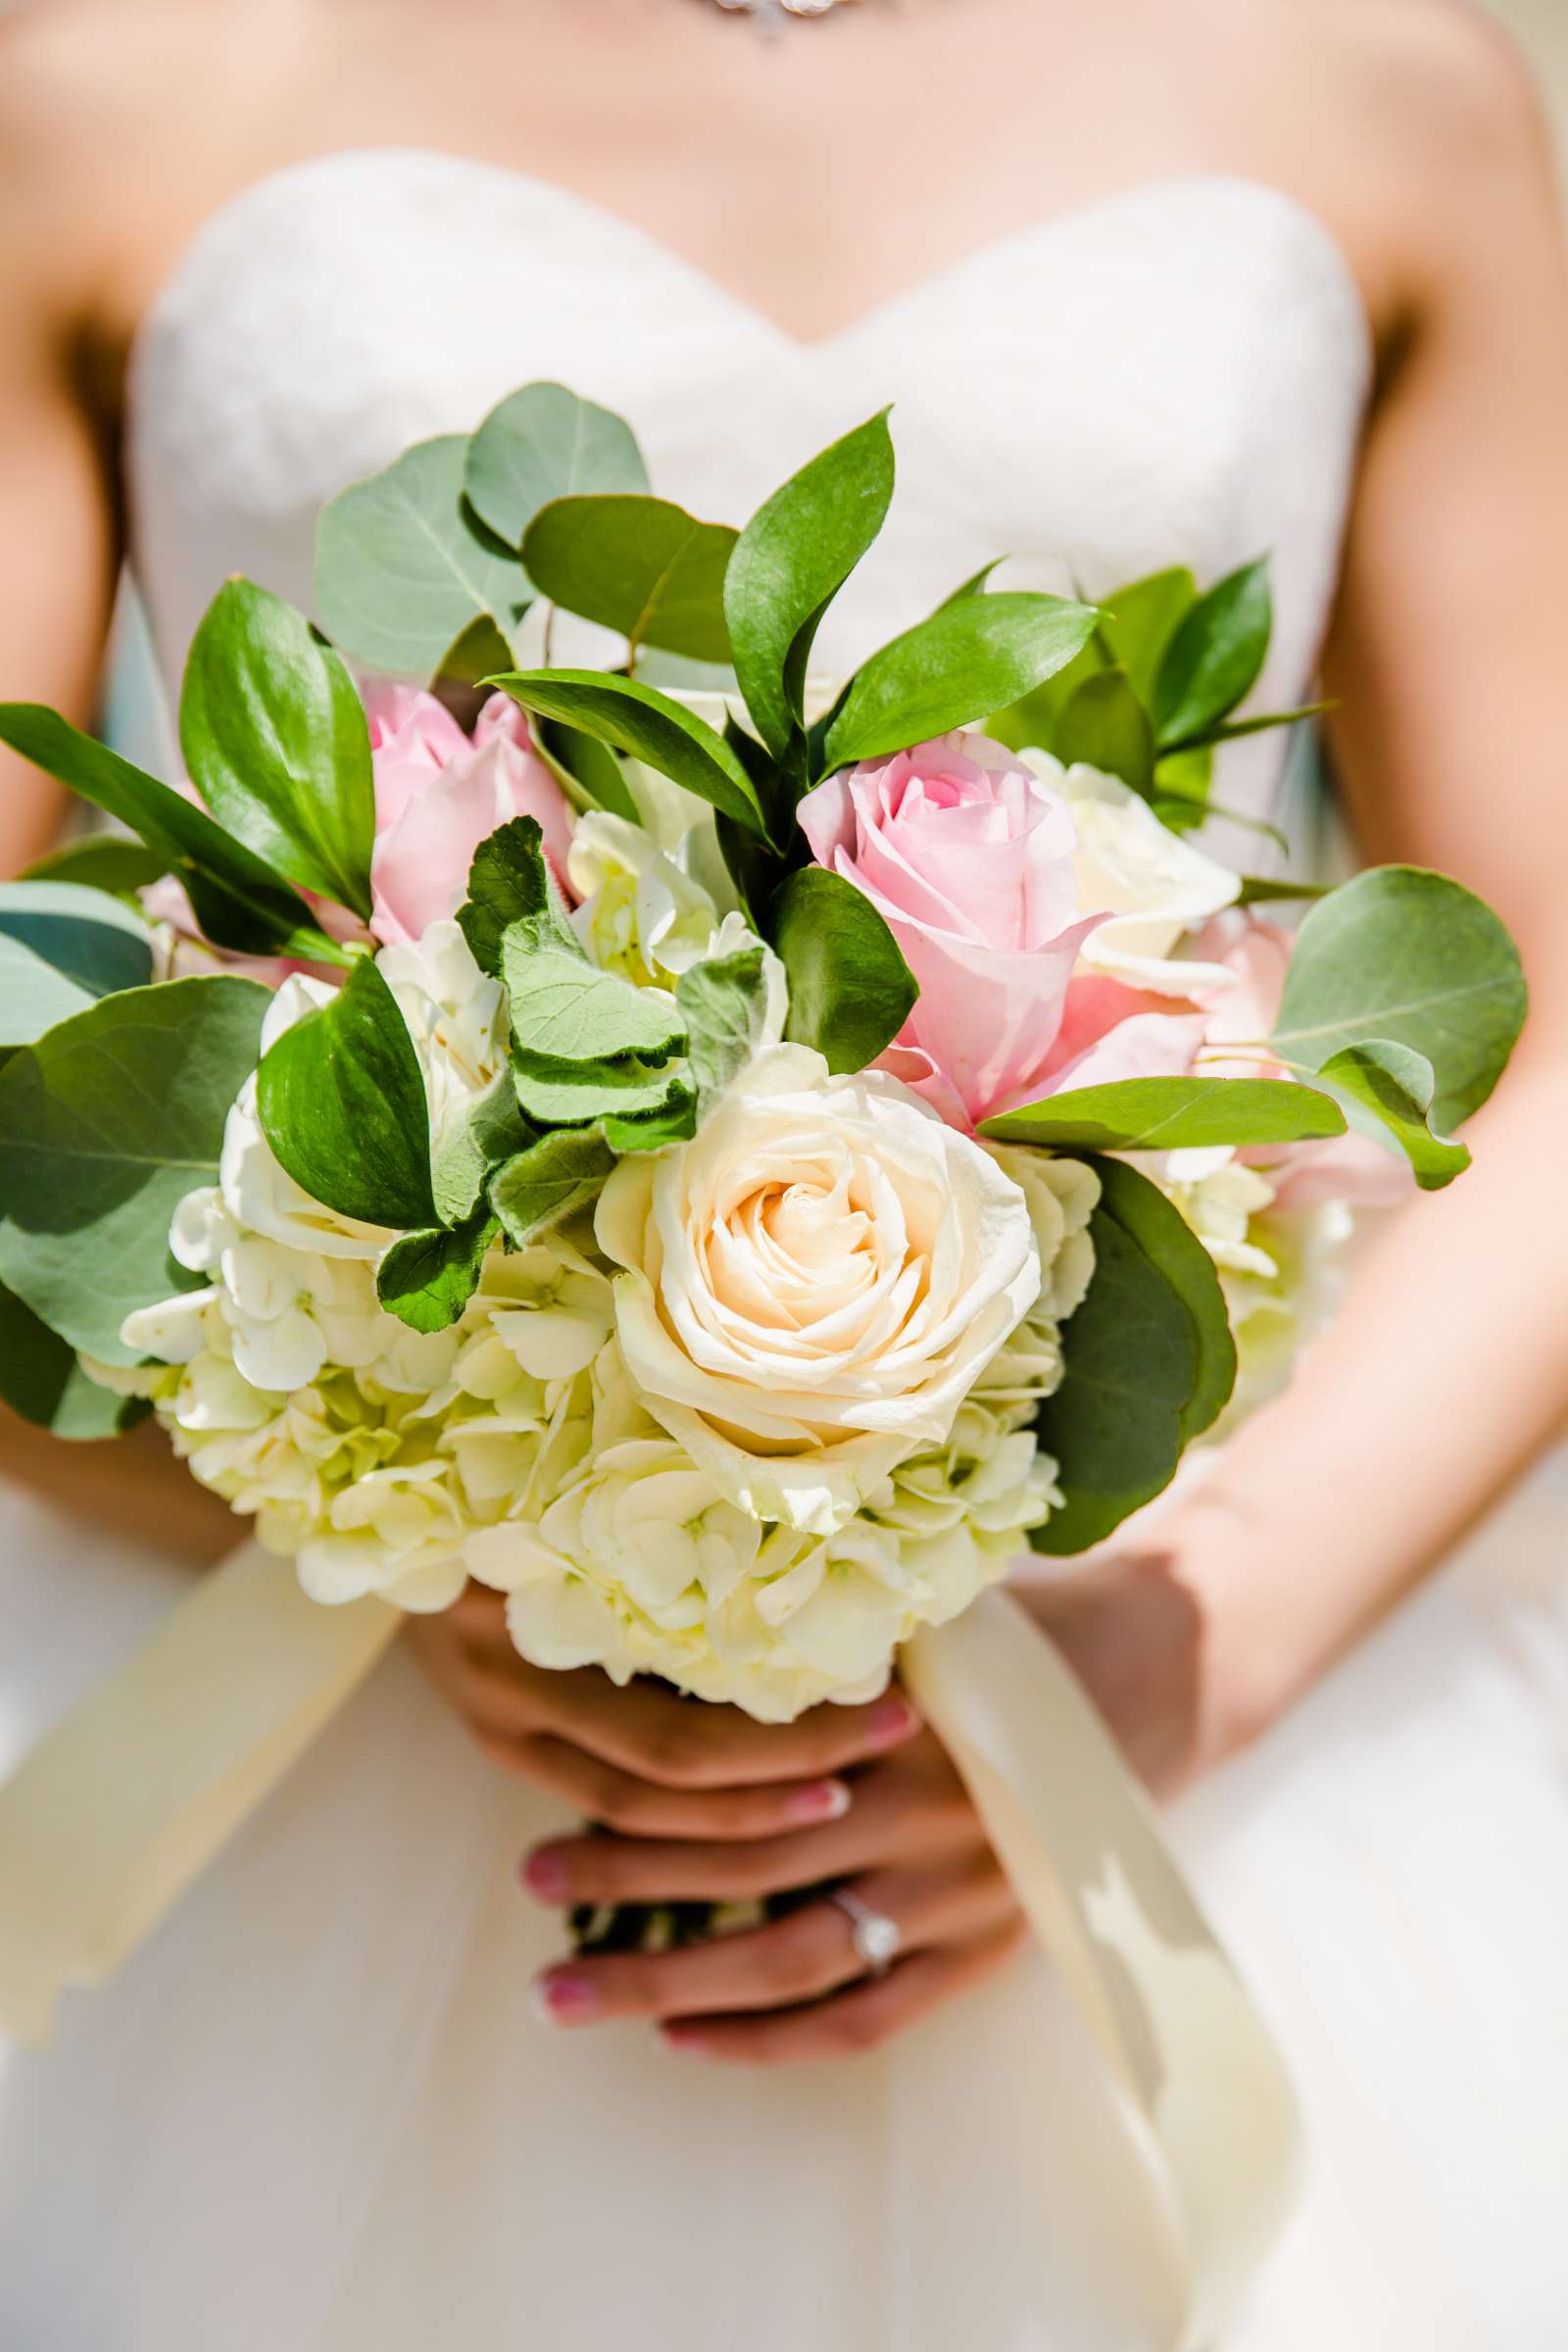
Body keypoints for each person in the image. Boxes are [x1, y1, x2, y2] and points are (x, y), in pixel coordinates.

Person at [3, 0, 1567, 2343]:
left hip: (1184, 1678)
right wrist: (394, 1514)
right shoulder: (116, 67)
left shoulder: (1373, 70)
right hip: (312, 1731)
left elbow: (1540, 1027)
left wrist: (1170, 1664)